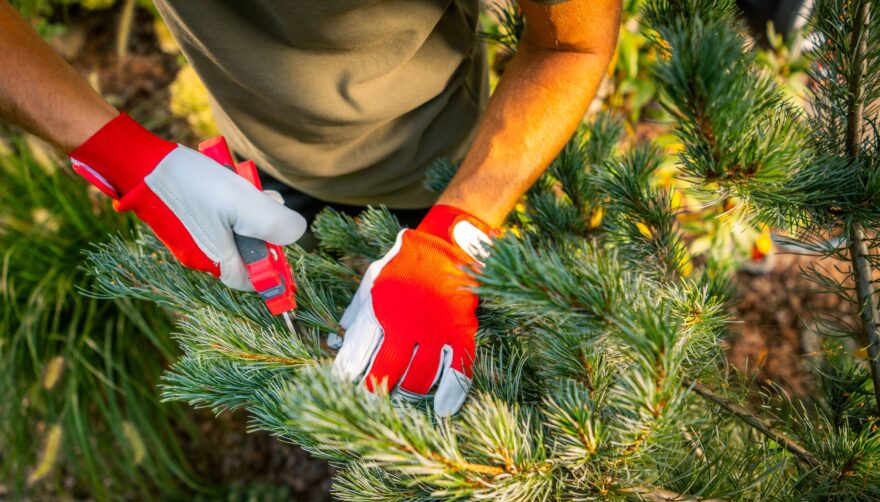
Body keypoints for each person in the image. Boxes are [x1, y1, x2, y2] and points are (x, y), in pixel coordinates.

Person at [0, 0, 621, 415]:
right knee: (327, 337)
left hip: (447, 176)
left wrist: (456, 234)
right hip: (258, 175)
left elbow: (571, 44)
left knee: (447, 381)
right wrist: (126, 158)